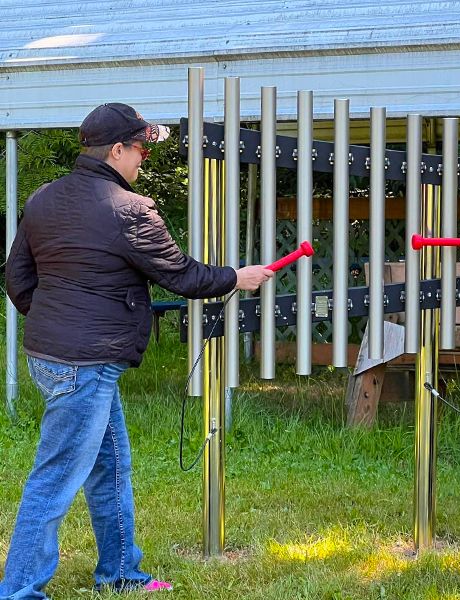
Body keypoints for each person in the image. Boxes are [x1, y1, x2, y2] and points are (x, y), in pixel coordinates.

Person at [1, 103, 273, 599]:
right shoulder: (130, 209)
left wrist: (51, 321)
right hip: (84, 364)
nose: (145, 158)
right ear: (118, 150)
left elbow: (16, 277)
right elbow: (182, 275)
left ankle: (122, 573)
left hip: (54, 356)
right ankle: (19, 592)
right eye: (142, 149)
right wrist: (239, 276)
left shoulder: (43, 198)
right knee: (55, 479)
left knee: (110, 466)